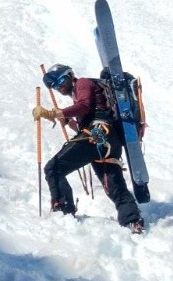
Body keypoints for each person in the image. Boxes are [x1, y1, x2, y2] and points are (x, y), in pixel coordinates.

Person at [33, 64, 145, 232]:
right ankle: (132, 220)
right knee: (115, 188)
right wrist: (67, 121)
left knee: (53, 168)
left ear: (71, 75)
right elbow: (85, 119)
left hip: (97, 136)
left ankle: (63, 211)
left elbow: (85, 106)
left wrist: (55, 113)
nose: (60, 86)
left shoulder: (82, 83)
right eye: (55, 85)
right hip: (108, 142)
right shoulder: (78, 95)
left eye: (62, 80)